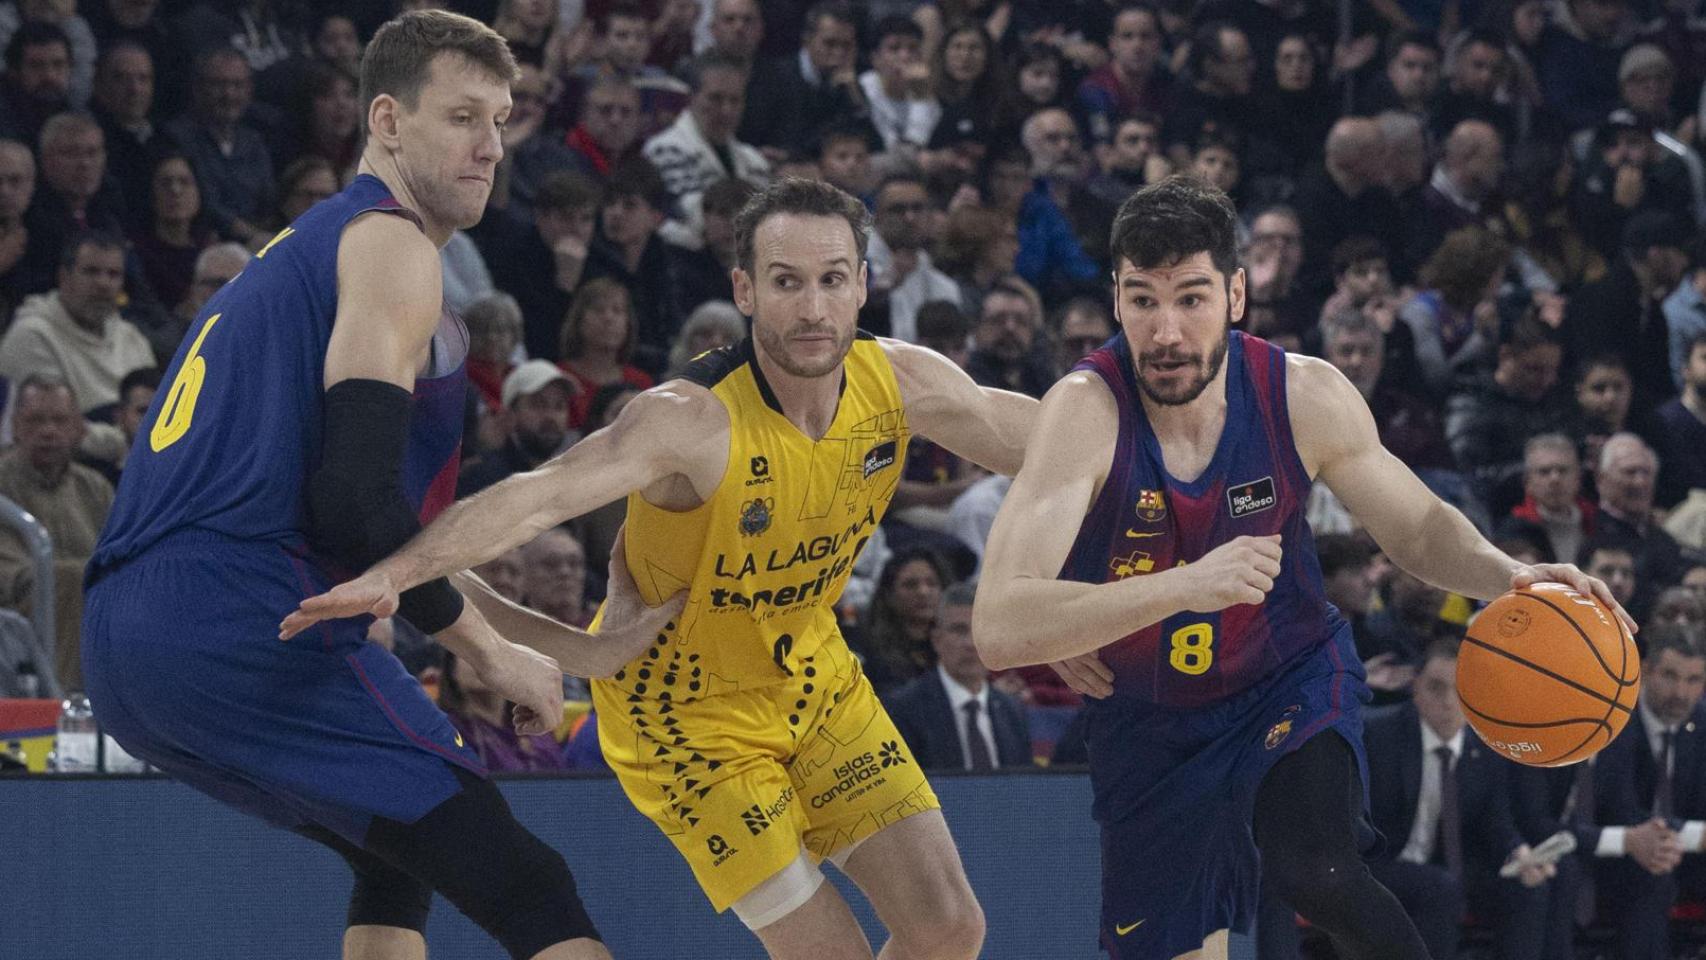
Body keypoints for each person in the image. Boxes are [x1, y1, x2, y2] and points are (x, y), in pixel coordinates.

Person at [284, 177, 1044, 959]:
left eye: (831, 280)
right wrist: (397, 568)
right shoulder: (689, 421)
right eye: (786, 282)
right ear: (745, 289)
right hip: (683, 715)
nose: (813, 308)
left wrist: (1170, 462)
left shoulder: (902, 381)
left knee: (950, 927)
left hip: (813, 677)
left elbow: (1060, 445)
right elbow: (533, 498)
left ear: (862, 284)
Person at [81, 13, 681, 960]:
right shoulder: (390, 246)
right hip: (238, 614)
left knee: (398, 854)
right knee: (530, 884)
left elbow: (388, 546)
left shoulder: (298, 255)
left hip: (125, 650)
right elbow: (356, 509)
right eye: (463, 117)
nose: (489, 145)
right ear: (389, 121)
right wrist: (485, 654)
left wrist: (568, 649)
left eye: (502, 118)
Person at [971, 176, 1633, 960]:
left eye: (1191, 298)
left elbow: (1415, 526)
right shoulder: (1083, 413)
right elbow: (999, 625)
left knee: (1315, 867)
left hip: (1283, 676)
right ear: (1115, 299)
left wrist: (1508, 575)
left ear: (1237, 294)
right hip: (1149, 719)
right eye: (1142, 300)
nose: (1166, 331)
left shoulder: (1302, 393)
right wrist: (1186, 586)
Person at [885, 580, 1032, 771]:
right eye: (959, 630)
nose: (971, 644)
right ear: (937, 640)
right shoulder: (903, 709)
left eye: (980, 631)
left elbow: (1026, 788)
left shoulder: (1013, 712)